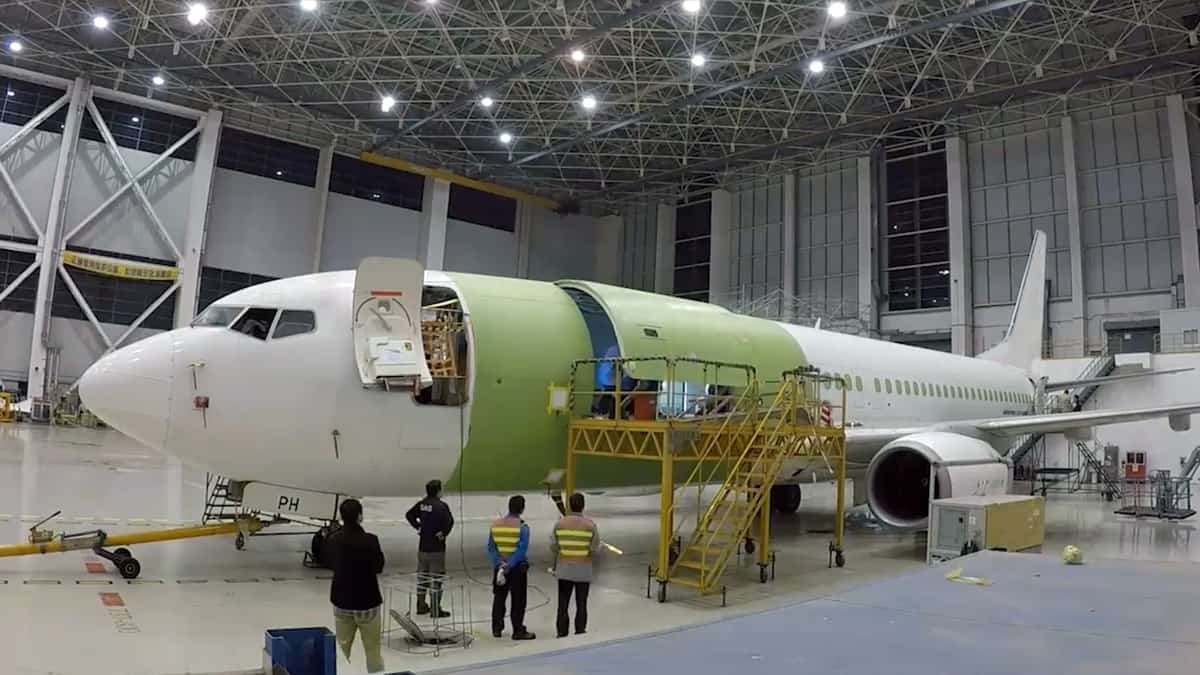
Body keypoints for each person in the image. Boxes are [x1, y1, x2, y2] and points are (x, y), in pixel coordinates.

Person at [326, 498, 386, 673]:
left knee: (342, 649)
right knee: (373, 650)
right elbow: (379, 567)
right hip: (368, 602)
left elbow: (329, 562)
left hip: (342, 601)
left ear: (341, 516)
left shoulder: (333, 539)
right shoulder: (371, 540)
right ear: (360, 516)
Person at [551, 492, 600, 638]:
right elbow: (594, 548)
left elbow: (554, 546)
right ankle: (580, 631)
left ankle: (561, 632)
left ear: (570, 506)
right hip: (583, 571)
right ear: (583, 506)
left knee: (563, 604)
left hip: (564, 570)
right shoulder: (590, 525)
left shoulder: (560, 524)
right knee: (581, 603)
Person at [487, 495, 535, 640]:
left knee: (499, 598)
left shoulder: (495, 525)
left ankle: (497, 628)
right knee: (518, 600)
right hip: (516, 569)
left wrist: (499, 563)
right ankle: (518, 630)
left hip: (499, 568)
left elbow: (491, 547)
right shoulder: (522, 527)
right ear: (522, 508)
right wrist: (510, 565)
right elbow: (521, 550)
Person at [405, 479, 454, 617]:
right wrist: (443, 533)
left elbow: (409, 515)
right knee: (436, 579)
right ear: (438, 491)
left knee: (422, 578)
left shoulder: (422, 504)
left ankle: (420, 605)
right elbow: (450, 522)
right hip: (436, 549)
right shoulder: (442, 506)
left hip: (423, 547)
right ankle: (435, 609)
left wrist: (418, 527)